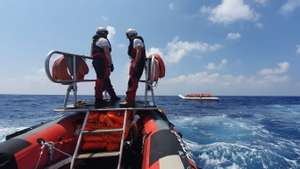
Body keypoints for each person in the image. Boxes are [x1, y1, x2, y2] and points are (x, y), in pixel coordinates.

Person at [91, 27, 120, 107]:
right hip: (101, 62)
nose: (107, 35)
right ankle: (98, 100)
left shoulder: (95, 41)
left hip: (96, 62)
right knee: (101, 81)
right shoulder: (103, 40)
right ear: (103, 33)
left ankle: (113, 97)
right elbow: (107, 54)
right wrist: (111, 64)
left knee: (106, 80)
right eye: (106, 33)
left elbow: (91, 54)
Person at [120, 28, 146, 107]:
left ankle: (130, 101)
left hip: (137, 64)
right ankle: (129, 99)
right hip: (136, 63)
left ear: (130, 35)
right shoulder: (136, 41)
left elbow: (139, 51)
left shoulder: (136, 40)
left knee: (133, 82)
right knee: (131, 81)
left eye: (127, 36)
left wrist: (135, 63)